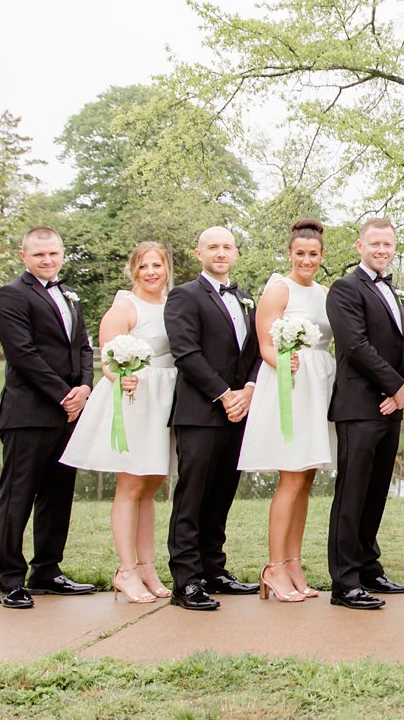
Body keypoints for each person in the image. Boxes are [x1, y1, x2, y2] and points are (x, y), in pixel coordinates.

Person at [61, 241, 178, 603]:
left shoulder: (173, 304)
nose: (151, 272)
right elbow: (108, 360)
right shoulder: (124, 306)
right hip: (133, 398)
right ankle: (125, 570)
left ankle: (147, 566)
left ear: (167, 268)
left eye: (157, 265)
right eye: (144, 266)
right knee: (130, 485)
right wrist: (120, 378)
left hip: (165, 397)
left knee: (151, 486)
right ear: (133, 269)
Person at [0, 226, 97, 609]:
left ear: (62, 253)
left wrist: (85, 388)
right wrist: (62, 395)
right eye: (39, 255)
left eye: (53, 253)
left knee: (57, 495)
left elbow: (83, 346)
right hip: (29, 413)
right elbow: (23, 354)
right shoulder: (11, 296)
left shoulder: (70, 295)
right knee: (17, 496)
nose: (47, 260)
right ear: (24, 256)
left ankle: (47, 571)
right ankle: (9, 579)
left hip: (69, 414)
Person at [237, 219, 336, 603]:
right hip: (288, 385)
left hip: (319, 384)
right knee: (291, 477)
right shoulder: (278, 288)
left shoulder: (325, 291)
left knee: (307, 478)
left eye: (313, 254)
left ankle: (294, 562)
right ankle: (274, 566)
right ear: (289, 254)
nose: (306, 260)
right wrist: (283, 362)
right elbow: (263, 344)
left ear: (322, 256)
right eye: (300, 254)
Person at [164, 226, 262, 611]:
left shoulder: (246, 299)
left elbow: (256, 352)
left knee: (222, 494)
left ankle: (213, 569)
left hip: (240, 412)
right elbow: (186, 353)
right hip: (201, 411)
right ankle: (185, 581)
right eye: (213, 247)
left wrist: (249, 391)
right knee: (192, 497)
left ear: (236, 253)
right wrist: (224, 395)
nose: (221, 253)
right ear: (198, 252)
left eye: (227, 247)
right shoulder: (184, 296)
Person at [325, 217, 404, 610]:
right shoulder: (345, 289)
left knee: (378, 489)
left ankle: (368, 567)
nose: (382, 250)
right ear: (360, 245)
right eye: (375, 244)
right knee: (353, 492)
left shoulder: (398, 294)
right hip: (359, 405)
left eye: (388, 244)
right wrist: (395, 385)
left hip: (392, 406)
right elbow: (355, 344)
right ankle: (344, 582)